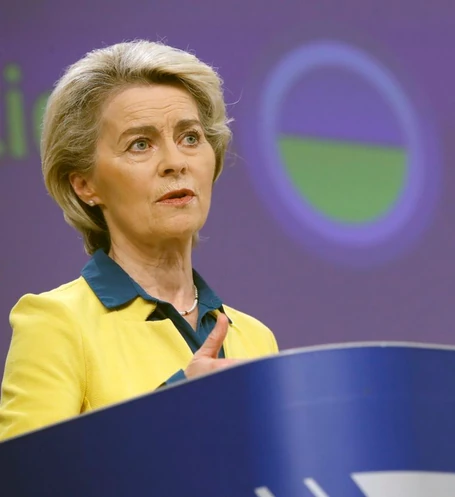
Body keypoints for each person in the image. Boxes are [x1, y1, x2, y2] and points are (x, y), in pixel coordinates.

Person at [0, 40, 279, 441]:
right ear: (85, 185)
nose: (175, 163)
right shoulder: (57, 323)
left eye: (190, 138)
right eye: (140, 145)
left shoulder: (254, 338)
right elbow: (27, 473)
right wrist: (174, 405)